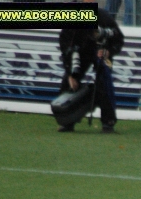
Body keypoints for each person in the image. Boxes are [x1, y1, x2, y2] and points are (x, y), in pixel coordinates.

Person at [57, 0, 123, 133]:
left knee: (104, 80)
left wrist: (108, 51)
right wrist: (70, 73)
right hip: (80, 55)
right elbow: (65, 48)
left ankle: (108, 122)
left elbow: (118, 39)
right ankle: (67, 121)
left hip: (100, 53)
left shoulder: (103, 17)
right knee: (68, 82)